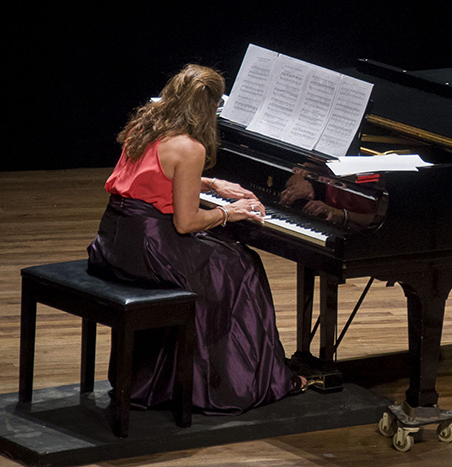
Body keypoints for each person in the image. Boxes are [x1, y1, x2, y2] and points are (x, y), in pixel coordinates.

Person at [87, 64, 311, 415]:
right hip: (150, 248)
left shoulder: (142, 128)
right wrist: (230, 213)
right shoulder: (190, 148)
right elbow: (187, 222)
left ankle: (163, 377)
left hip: (113, 240)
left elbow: (156, 175)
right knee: (240, 265)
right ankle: (224, 385)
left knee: (224, 260)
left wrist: (210, 184)